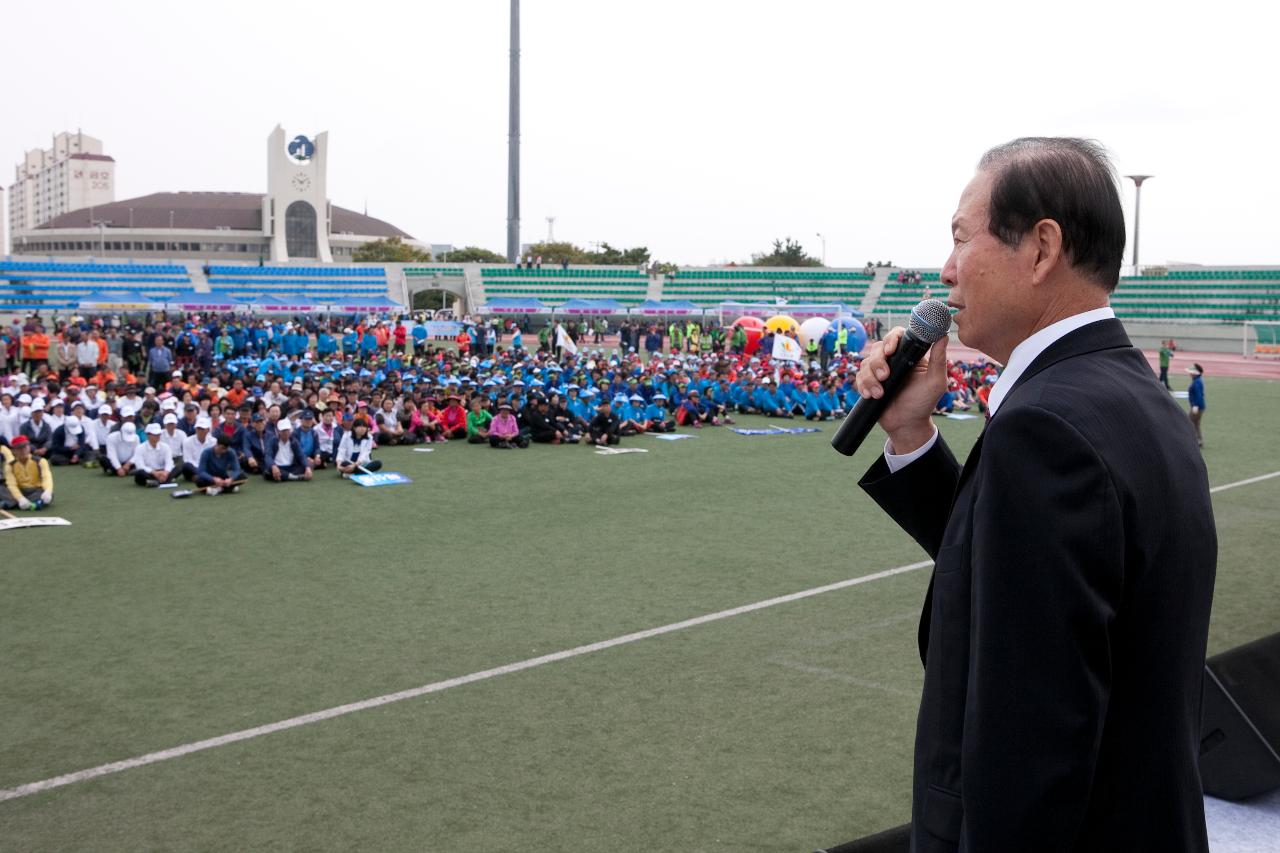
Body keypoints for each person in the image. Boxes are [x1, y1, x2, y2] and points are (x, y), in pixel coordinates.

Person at [853, 138, 1216, 853]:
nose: (946, 270)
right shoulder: (1132, 399)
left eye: (962, 239)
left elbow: (1030, 753)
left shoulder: (1045, 425)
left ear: (1042, 247)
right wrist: (909, 434)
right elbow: (1023, 570)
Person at [2, 435, 53, 509]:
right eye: (19, 448)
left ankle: (12, 503)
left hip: (36, 490)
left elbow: (46, 478)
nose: (23, 450)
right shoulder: (10, 465)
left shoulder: (40, 461)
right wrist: (20, 498)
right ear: (13, 451)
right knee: (2, 489)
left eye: (25, 447)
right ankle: (30, 504)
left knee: (46, 494)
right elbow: (11, 484)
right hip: (20, 490)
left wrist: (48, 491)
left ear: (29, 447)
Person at [134, 422, 177, 486]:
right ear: (148, 435)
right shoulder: (140, 448)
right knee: (139, 473)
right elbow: (140, 465)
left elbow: (169, 462)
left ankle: (155, 481)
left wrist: (166, 472)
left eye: (159, 434)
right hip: (149, 472)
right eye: (155, 434)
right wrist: (154, 473)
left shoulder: (165, 447)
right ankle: (165, 480)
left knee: (179, 467)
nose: (158, 436)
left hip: (163, 471)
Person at [1186, 362, 1206, 447]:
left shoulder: (1197, 382)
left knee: (1189, 422)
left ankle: (1193, 440)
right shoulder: (1197, 381)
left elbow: (1198, 395)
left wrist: (1195, 405)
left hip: (1197, 406)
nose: (1189, 374)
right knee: (1195, 423)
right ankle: (1198, 440)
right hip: (1199, 406)